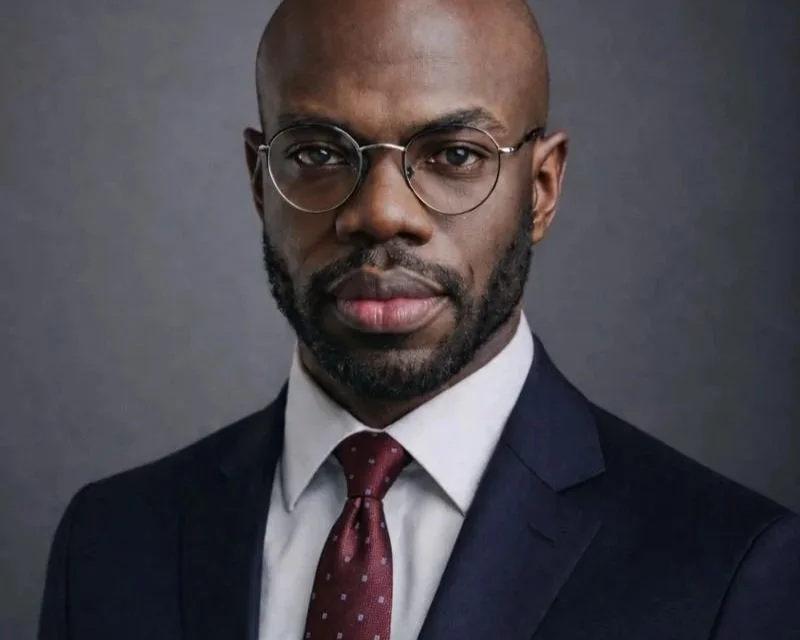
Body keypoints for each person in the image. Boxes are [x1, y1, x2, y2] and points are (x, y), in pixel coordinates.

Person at [38, 0, 800, 638]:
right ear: (257, 180)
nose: (381, 213)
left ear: (540, 188)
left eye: (455, 155)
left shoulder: (730, 567)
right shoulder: (108, 543)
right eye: (316, 152)